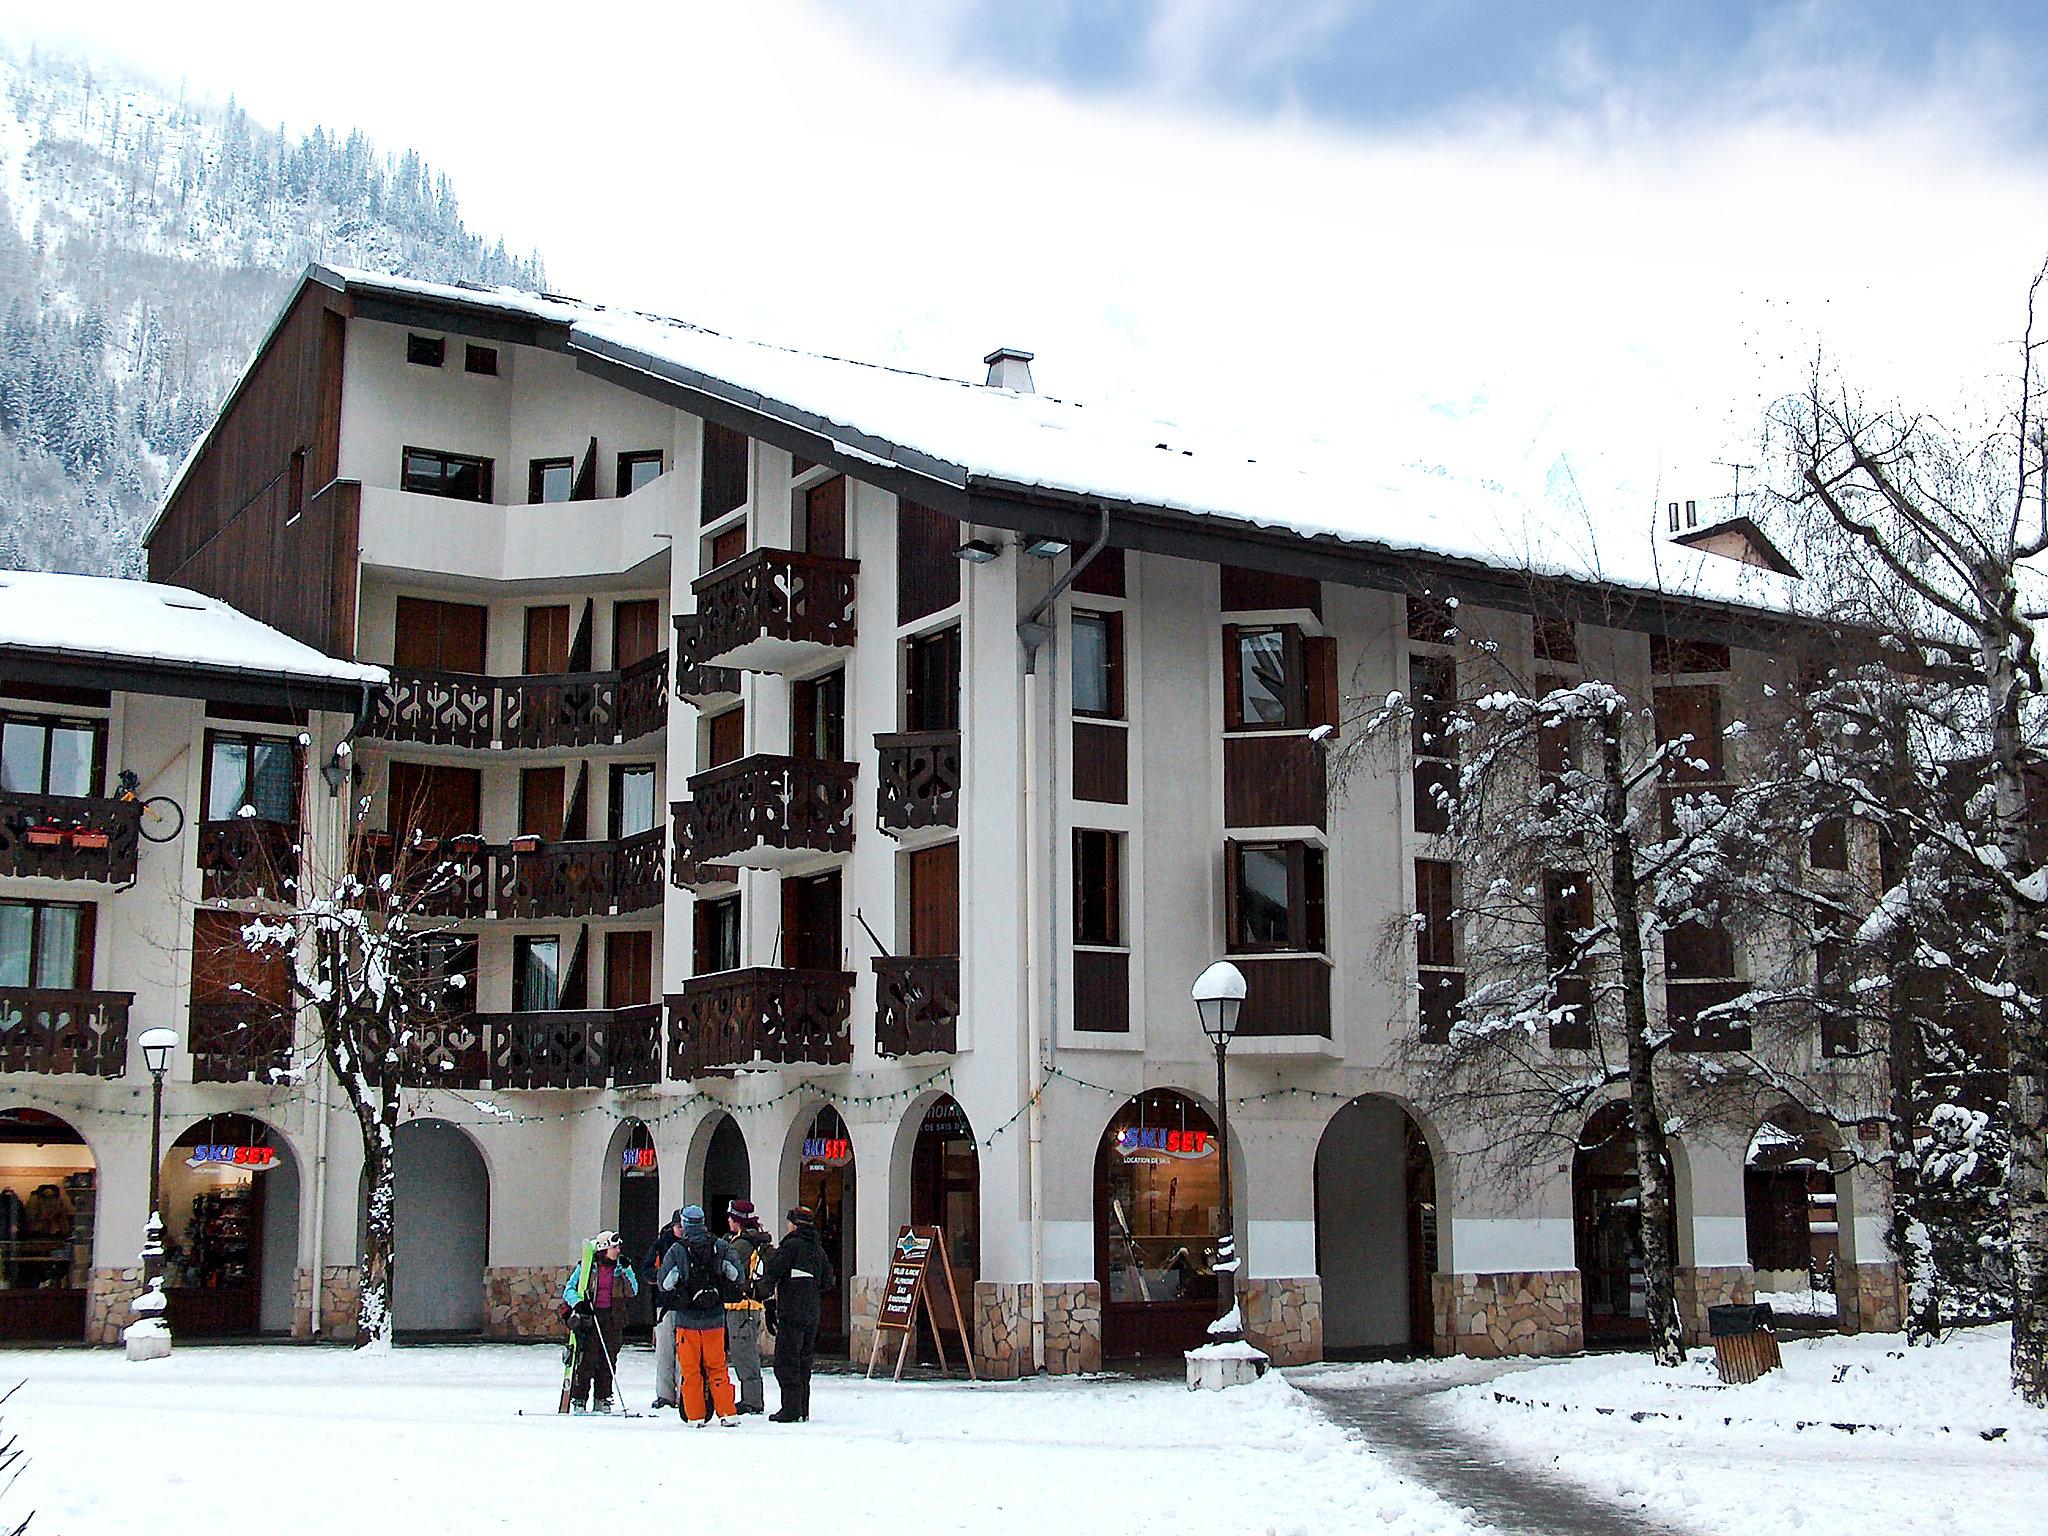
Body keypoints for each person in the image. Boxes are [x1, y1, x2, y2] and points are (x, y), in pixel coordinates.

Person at [657, 1205, 739, 1426]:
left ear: (684, 1224)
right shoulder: (720, 1246)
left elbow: (664, 1283)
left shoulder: (677, 1250)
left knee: (691, 1371)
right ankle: (727, 1413)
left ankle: (695, 1416)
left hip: (687, 1320)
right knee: (718, 1368)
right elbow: (736, 1275)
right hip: (715, 1320)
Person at [762, 1205, 835, 1423]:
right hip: (811, 1312)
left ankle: (791, 1409)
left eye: (788, 1222)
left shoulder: (791, 1246)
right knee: (804, 1361)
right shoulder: (817, 1249)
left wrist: (768, 1303)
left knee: (786, 1361)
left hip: (791, 1311)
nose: (786, 1226)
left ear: (795, 1225)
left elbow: (773, 1273)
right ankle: (802, 1407)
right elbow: (827, 1280)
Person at [561, 1231, 637, 1414]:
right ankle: (579, 1398)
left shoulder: (620, 1268)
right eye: (614, 1247)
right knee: (588, 1358)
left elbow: (633, 1290)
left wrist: (627, 1270)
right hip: (591, 1317)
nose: (618, 1250)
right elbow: (569, 1289)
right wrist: (579, 1304)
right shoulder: (588, 1268)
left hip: (613, 1319)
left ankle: (602, 1397)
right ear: (604, 1248)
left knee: (608, 1359)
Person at [723, 1200, 773, 1416]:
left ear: (737, 1220)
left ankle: (752, 1401)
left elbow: (731, 1271)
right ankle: (751, 1398)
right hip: (751, 1306)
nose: (728, 1221)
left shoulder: (741, 1245)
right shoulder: (751, 1240)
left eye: (730, 1218)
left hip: (741, 1307)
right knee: (746, 1352)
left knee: (744, 1354)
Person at [644, 1210, 688, 1409]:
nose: (682, 1230)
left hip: (685, 1305)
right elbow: (647, 1270)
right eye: (679, 1227)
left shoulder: (690, 1244)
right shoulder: (661, 1244)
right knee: (664, 1350)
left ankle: (684, 1391)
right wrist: (665, 1278)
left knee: (684, 1352)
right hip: (664, 1304)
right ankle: (665, 1394)